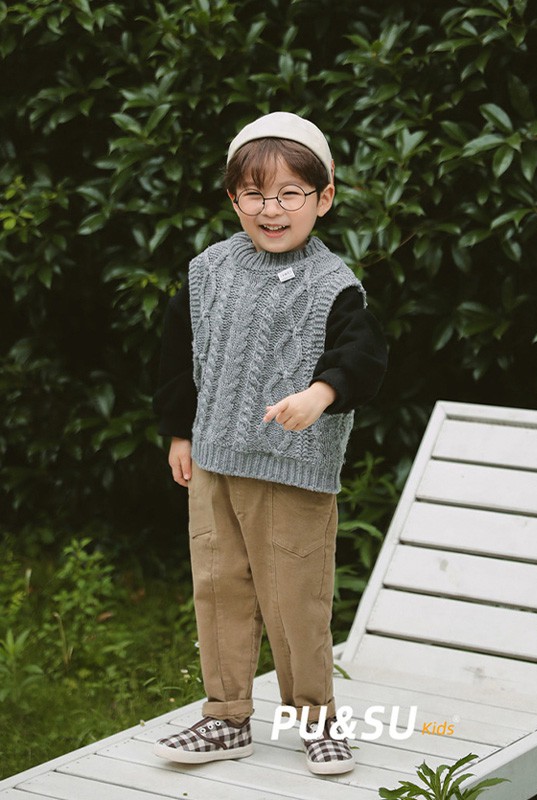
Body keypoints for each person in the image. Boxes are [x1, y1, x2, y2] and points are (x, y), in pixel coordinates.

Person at [152, 111, 387, 775]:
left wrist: (321, 394)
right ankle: (225, 716)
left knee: (295, 600)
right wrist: (178, 430)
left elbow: (363, 356)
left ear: (324, 197)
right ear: (234, 199)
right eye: (254, 194)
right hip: (214, 463)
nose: (271, 209)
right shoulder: (209, 271)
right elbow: (177, 355)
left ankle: (316, 718)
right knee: (218, 588)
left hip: (293, 472)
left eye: (290, 193)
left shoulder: (334, 284)